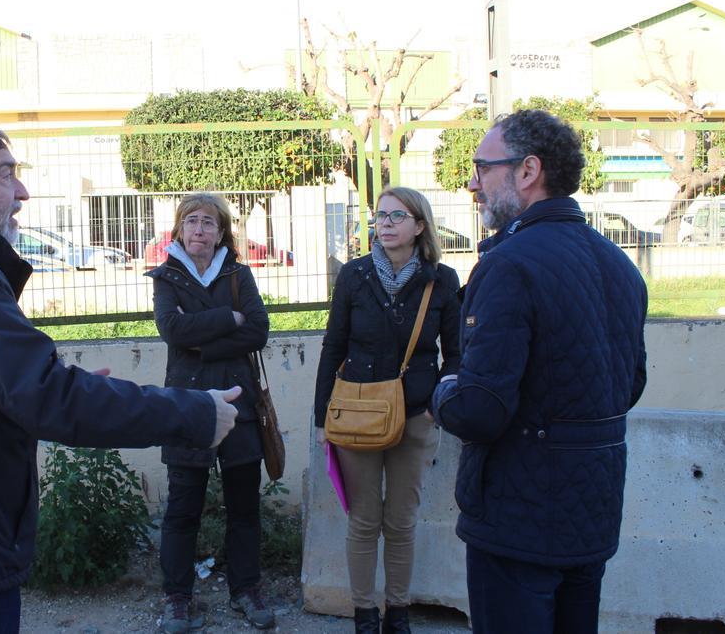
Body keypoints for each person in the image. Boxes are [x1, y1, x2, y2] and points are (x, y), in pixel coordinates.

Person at [0, 120, 242, 634]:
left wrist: (45, 385)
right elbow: (49, 399)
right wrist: (194, 412)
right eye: (5, 173)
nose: (22, 192)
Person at [431, 109, 648, 634]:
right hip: (591, 512)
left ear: (527, 171)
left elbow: (481, 409)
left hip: (518, 519)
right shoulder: (618, 262)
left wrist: (442, 392)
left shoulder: (509, 264)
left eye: (482, 168)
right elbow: (628, 384)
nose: (473, 183)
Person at [311, 186, 461, 634]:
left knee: (401, 521)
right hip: (357, 416)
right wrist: (323, 418)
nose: (386, 224)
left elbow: (456, 355)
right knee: (363, 520)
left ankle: (397, 613)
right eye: (381, 216)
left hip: (416, 416)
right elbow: (333, 346)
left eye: (398, 216)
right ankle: (364, 614)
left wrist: (437, 406)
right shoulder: (354, 276)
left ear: (420, 225)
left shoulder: (441, 279)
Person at [146, 193, 275, 632]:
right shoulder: (166, 277)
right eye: (192, 221)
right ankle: (178, 598)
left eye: (208, 223)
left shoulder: (239, 273)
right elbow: (172, 330)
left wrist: (202, 342)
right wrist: (229, 318)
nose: (199, 230)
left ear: (222, 233)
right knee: (183, 508)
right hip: (188, 407)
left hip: (238, 405)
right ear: (180, 229)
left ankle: (245, 589)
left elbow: (258, 330)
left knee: (244, 506)